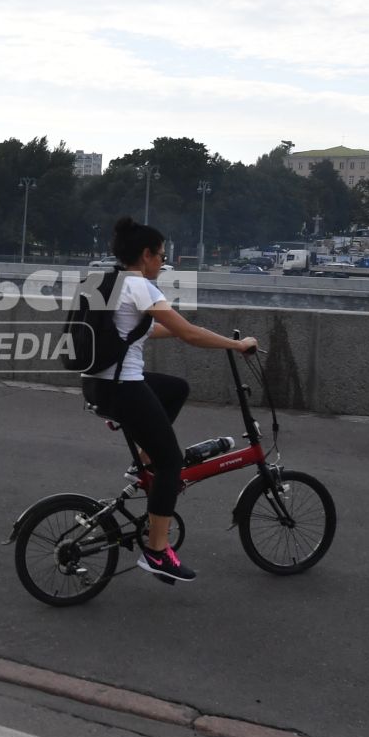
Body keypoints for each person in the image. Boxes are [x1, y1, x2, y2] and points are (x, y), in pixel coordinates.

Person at [105, 216, 256, 583]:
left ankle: (142, 460)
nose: (163, 262)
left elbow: (129, 330)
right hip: (123, 386)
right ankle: (157, 552)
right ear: (145, 255)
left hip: (99, 383)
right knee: (172, 461)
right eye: (160, 255)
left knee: (176, 388)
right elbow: (190, 333)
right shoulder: (141, 286)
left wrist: (173, 332)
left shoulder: (108, 281)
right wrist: (236, 345)